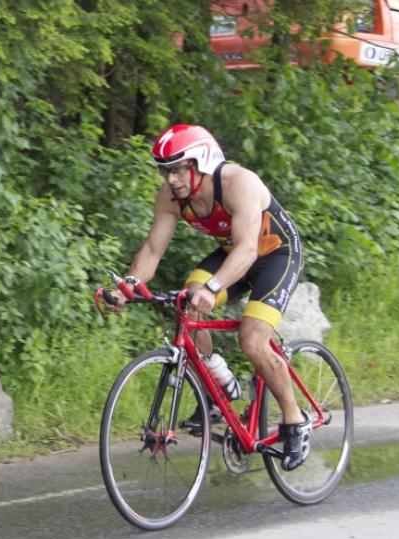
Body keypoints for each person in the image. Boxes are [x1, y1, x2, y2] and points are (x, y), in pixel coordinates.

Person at [104, 124, 309, 471]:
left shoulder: (237, 183)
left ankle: (295, 421)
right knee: (188, 302)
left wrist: (213, 290)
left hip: (275, 254)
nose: (170, 179)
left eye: (177, 169)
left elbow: (247, 249)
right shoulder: (171, 198)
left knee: (252, 339)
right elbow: (153, 250)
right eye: (164, 170)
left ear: (200, 163)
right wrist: (127, 286)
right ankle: (221, 384)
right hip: (233, 255)